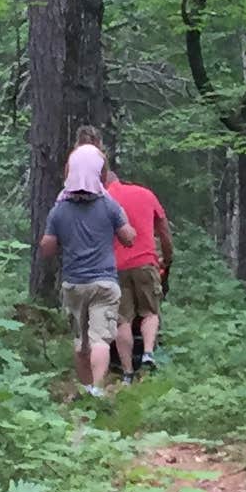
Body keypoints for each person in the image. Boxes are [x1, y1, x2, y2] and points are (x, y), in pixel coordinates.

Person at [37, 140, 134, 398]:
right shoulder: (109, 205)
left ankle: (86, 388)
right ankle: (98, 388)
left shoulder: (60, 209)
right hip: (104, 282)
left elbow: (47, 248)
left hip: (74, 283)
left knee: (82, 341)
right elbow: (128, 238)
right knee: (101, 339)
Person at [105, 152, 173, 379]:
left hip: (115, 267)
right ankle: (148, 353)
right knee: (150, 312)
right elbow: (164, 232)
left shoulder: (103, 199)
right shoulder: (145, 194)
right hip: (145, 262)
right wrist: (167, 258)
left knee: (122, 319)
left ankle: (126, 372)